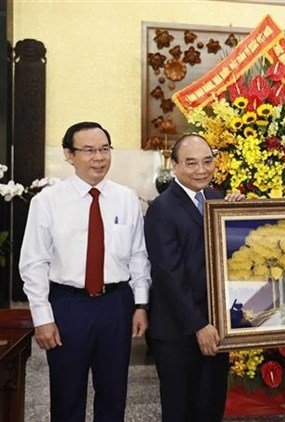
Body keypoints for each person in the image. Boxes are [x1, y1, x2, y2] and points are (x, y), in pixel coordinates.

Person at [19, 121, 151, 421]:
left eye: (104, 149)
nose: (99, 157)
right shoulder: (47, 203)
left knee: (114, 394)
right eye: (89, 150)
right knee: (67, 396)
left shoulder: (126, 198)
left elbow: (138, 256)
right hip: (68, 306)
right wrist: (42, 318)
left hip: (115, 305)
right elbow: (33, 264)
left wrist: (140, 305)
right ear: (69, 155)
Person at [144, 134, 243, 421]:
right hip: (179, 331)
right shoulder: (162, 209)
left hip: (217, 325)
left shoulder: (217, 199)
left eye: (207, 161)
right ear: (174, 166)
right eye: (191, 163)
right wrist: (199, 325)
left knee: (210, 408)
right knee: (180, 410)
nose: (201, 170)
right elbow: (168, 275)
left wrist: (238, 211)